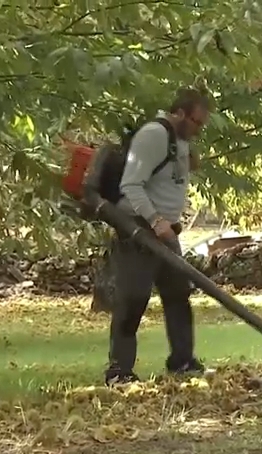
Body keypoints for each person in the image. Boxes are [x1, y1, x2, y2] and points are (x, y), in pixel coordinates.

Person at [104, 87, 211, 385]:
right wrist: (154, 219)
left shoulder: (180, 141)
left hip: (165, 232)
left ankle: (182, 362)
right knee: (133, 299)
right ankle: (119, 371)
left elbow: (167, 179)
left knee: (178, 295)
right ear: (179, 113)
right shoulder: (153, 135)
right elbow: (131, 185)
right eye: (196, 122)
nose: (198, 130)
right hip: (138, 228)